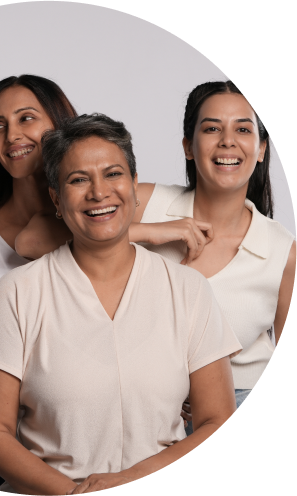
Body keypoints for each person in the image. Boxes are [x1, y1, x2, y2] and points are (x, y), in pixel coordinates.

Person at [0, 114, 242, 494]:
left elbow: (216, 420)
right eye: (78, 180)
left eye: (113, 174)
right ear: (56, 199)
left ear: (134, 186)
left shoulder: (188, 290)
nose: (99, 192)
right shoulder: (16, 292)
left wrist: (129, 479)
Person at [17, 81, 297, 433]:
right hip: (142, 409)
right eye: (211, 128)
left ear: (260, 149)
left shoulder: (283, 251)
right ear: (188, 147)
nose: (227, 140)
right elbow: (29, 241)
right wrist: (151, 231)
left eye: (243, 129)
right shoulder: (148, 203)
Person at [0, 74, 77, 488]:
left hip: (82, 429)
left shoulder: (104, 212)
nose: (11, 135)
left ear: (59, 124)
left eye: (27, 118)